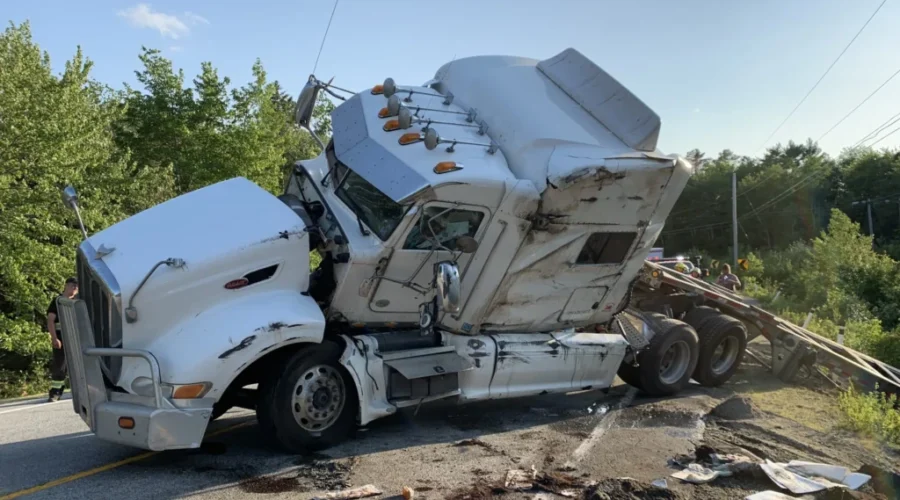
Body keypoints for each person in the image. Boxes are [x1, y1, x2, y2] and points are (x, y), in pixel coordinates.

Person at [46, 277, 78, 402]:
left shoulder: (78, 301)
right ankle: (55, 392)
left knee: (78, 364)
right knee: (60, 365)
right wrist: (54, 338)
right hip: (61, 336)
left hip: (75, 336)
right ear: (65, 286)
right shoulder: (58, 301)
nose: (75, 288)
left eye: (76, 286)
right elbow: (50, 320)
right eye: (72, 285)